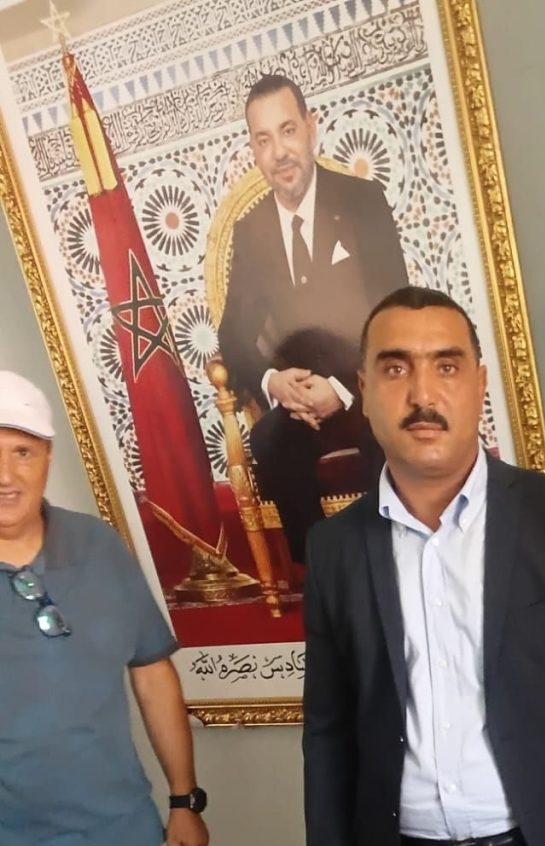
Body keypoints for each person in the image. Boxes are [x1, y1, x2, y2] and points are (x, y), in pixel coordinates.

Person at [302, 287, 545, 846]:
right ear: (365, 391)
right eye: (396, 369)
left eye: (446, 366)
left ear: (480, 384)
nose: (422, 395)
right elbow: (328, 735)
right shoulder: (333, 548)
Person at [0, 371, 209, 846]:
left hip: (121, 844)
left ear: (48, 456)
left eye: (22, 452)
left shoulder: (98, 546)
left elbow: (152, 672)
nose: (5, 476)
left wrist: (184, 799)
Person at [218, 73, 409, 562]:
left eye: (287, 131)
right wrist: (274, 383)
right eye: (264, 139)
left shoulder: (362, 202)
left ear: (310, 126)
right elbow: (232, 334)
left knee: (387, 432)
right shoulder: (252, 230)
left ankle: (394, 562)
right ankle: (322, 574)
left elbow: (396, 312)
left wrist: (344, 388)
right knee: (269, 440)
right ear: (254, 150)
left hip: (364, 389)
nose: (279, 152)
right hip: (299, 403)